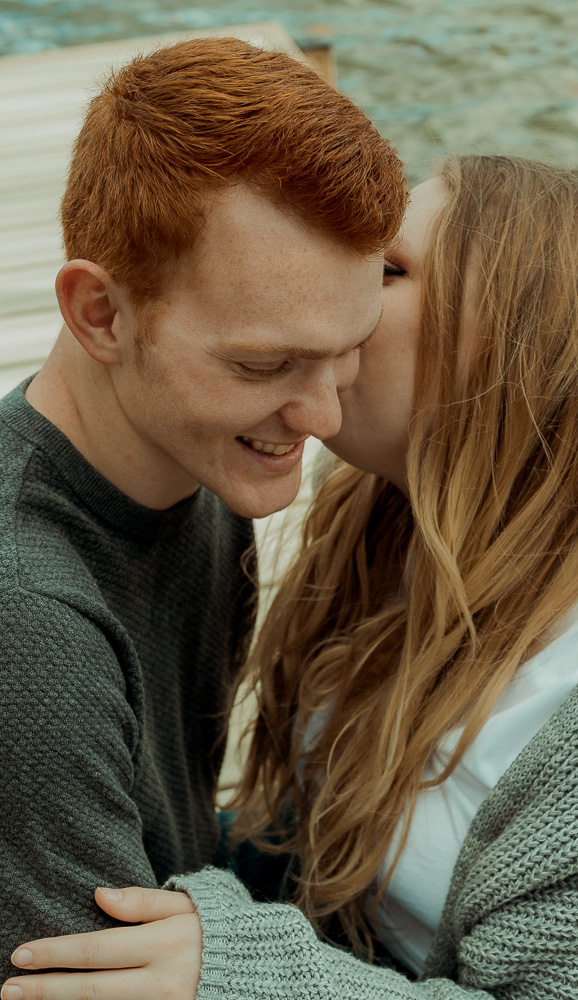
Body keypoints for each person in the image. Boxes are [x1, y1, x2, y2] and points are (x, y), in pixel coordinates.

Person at [3, 155, 578, 1000]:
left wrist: (249, 972)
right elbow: (310, 862)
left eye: (385, 268)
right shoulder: (378, 521)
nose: (336, 281)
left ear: (519, 340)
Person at [0, 35, 405, 975]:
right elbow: (80, 984)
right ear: (100, 313)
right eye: (265, 364)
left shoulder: (197, 474)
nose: (323, 417)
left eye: (348, 348)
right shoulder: (30, 622)